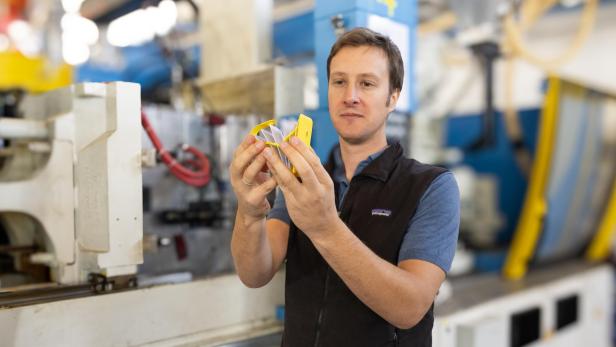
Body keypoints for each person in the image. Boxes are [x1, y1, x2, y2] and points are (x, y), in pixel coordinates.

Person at [229, 27, 459, 347]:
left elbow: (409, 308)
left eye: (366, 83)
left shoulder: (431, 187)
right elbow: (254, 274)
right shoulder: (304, 179)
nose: (350, 95)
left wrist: (324, 228)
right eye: (339, 82)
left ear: (392, 97)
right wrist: (250, 213)